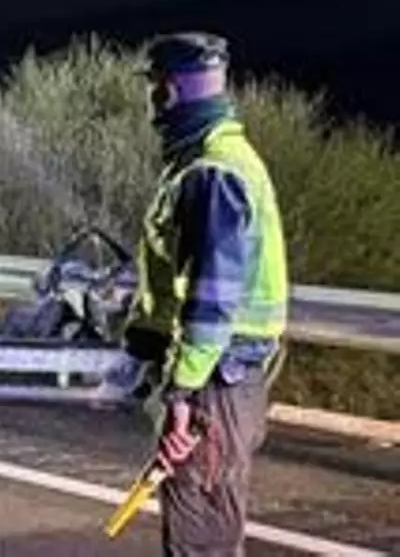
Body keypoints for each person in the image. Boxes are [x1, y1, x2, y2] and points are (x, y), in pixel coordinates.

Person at [119, 31, 289, 556]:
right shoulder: (216, 161)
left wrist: (182, 395)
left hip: (213, 380)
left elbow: (211, 301)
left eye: (154, 86)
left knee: (202, 536)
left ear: (169, 91)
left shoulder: (212, 173)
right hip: (223, 376)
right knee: (207, 527)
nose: (152, 100)